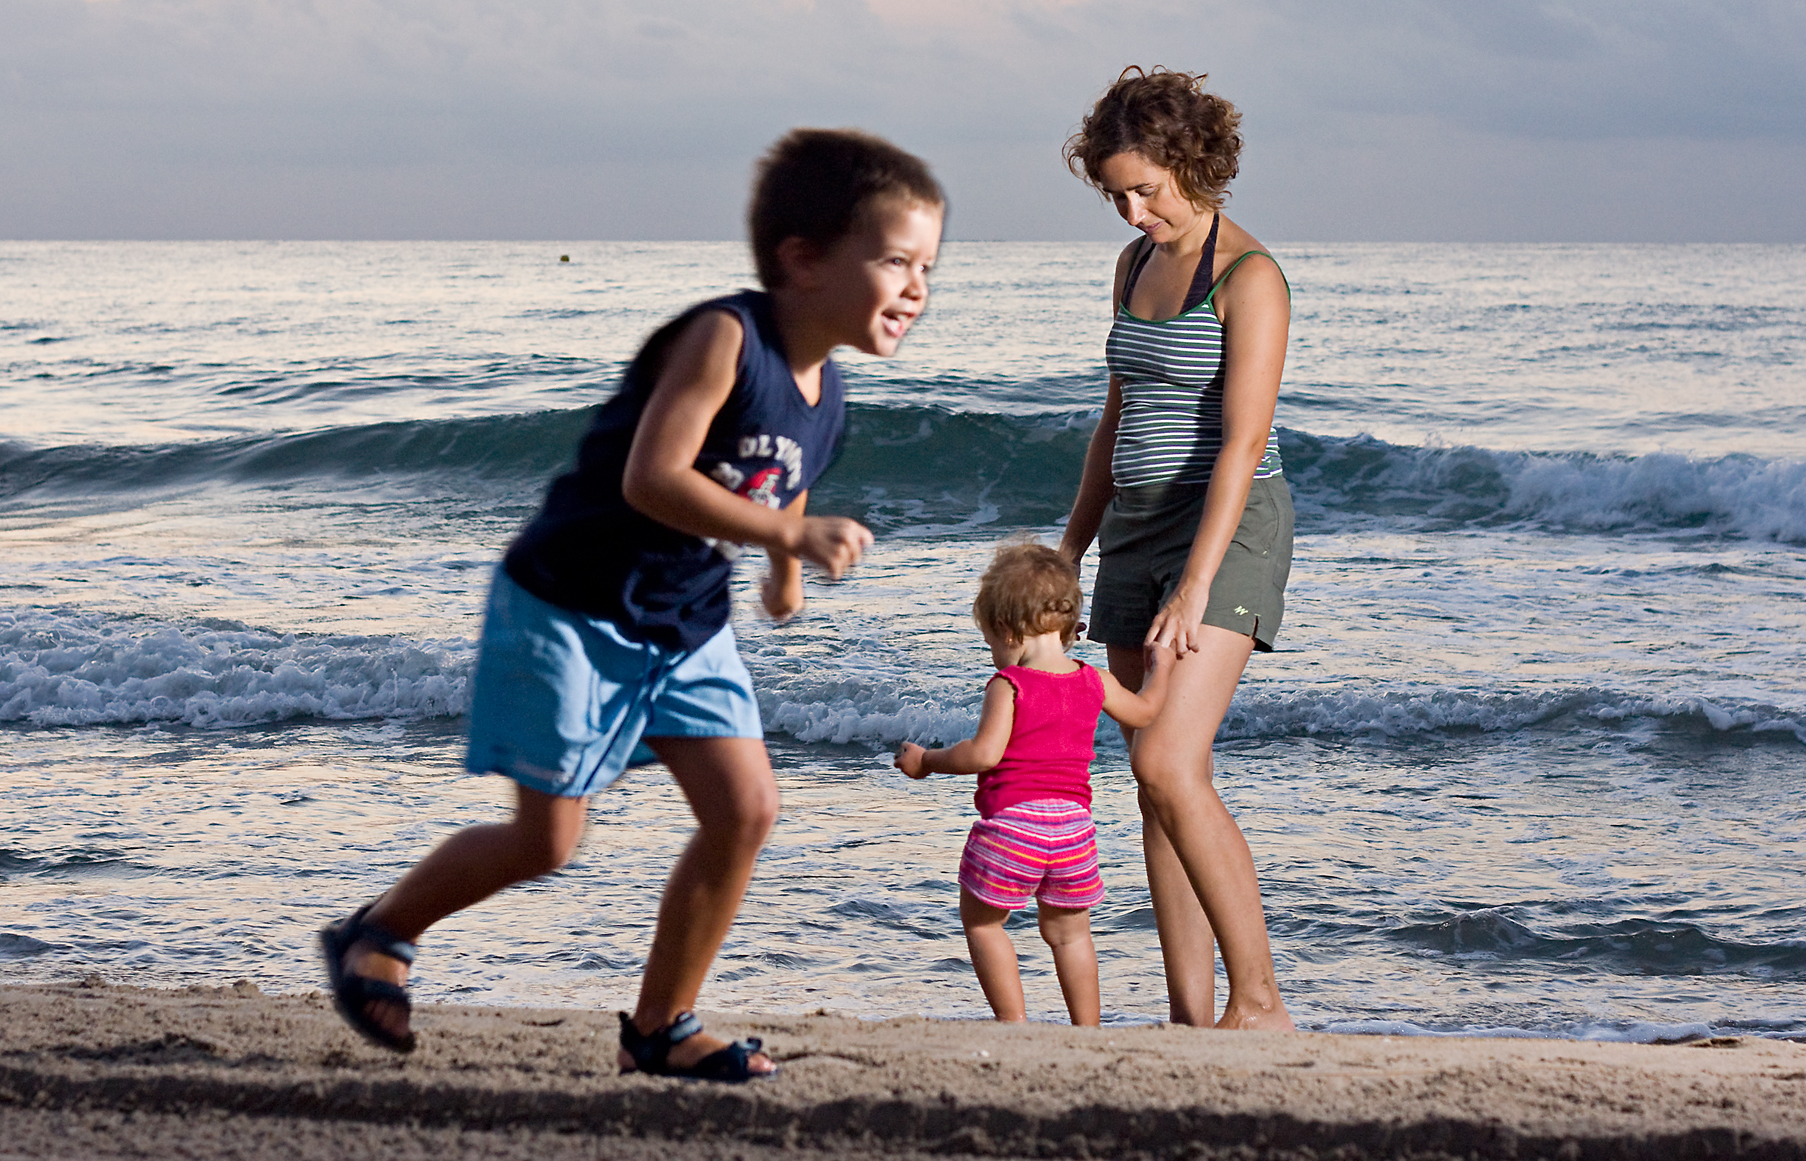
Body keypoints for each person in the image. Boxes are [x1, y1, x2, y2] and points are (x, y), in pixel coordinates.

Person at [318, 129, 945, 1080]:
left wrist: (783, 565)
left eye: (928, 267)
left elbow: (786, 477)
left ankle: (659, 1025)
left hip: (684, 623)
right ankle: (379, 930)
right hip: (570, 605)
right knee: (547, 839)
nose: (916, 287)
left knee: (745, 809)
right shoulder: (722, 337)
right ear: (804, 258)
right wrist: (785, 539)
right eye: (895, 259)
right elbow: (654, 478)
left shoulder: (831, 391)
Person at [1055, 67, 1297, 1031]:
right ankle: (1193, 1019)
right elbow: (1116, 419)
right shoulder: (1130, 265)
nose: (1131, 207)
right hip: (1136, 526)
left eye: (1146, 188)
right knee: (1151, 782)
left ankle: (1263, 1003)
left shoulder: (1250, 277)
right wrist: (1071, 547)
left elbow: (1242, 444)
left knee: (1170, 765)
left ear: (1192, 163)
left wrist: (1195, 585)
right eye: (1116, 192)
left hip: (1227, 530)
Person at [895, 542, 1167, 1026]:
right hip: (1074, 831)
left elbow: (984, 754)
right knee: (1070, 934)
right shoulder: (1094, 680)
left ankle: (1014, 1023)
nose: (995, 656)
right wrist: (1159, 669)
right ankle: (1087, 1031)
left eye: (992, 644)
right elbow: (1146, 712)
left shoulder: (1010, 685)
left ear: (1008, 630)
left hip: (1012, 828)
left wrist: (928, 761)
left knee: (982, 923)